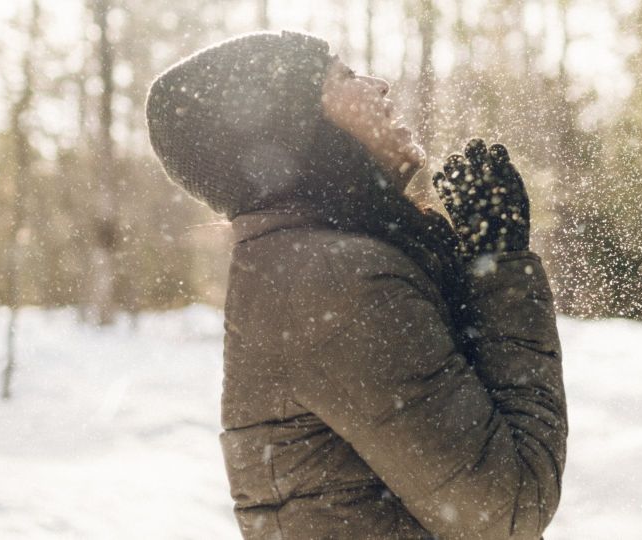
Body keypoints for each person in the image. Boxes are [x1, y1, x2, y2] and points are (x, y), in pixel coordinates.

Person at [146, 30, 567, 540]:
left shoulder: (306, 265)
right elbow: (509, 507)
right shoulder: (334, 282)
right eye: (344, 77)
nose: (380, 85)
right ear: (297, 130)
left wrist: (480, 269)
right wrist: (503, 268)